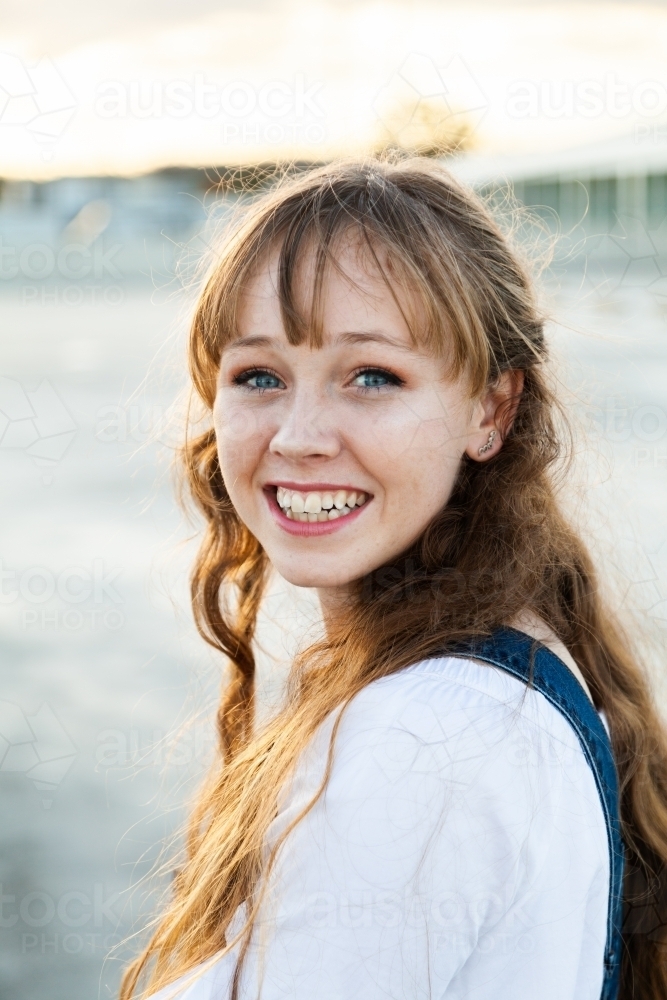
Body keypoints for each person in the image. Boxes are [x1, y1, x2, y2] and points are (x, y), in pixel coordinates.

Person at [121, 159, 667, 1000]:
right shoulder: (504, 671)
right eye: (258, 375)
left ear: (491, 410)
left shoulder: (425, 739)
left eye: (372, 376)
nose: (299, 437)